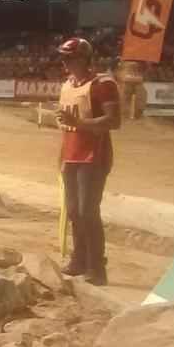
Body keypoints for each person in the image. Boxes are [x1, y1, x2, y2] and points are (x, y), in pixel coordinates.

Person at [55, 37, 120, 285]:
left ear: (84, 58)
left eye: (69, 58)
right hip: (71, 155)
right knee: (73, 211)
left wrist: (80, 124)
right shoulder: (68, 85)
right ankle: (79, 259)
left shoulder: (102, 84)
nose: (65, 62)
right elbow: (66, 127)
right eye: (63, 57)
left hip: (94, 155)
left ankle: (96, 267)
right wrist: (61, 155)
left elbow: (114, 121)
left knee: (87, 211)